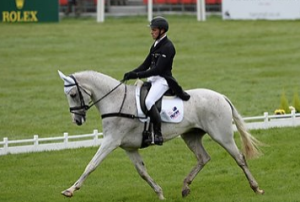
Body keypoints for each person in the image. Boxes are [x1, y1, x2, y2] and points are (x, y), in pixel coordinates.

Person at [123, 16, 190, 146]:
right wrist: (132, 73)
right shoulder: (155, 44)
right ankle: (145, 131)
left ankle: (158, 134)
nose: (151, 32)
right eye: (151, 29)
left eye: (154, 30)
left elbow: (158, 69)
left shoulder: (168, 47)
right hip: (153, 79)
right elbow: (146, 64)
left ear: (162, 30)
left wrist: (138, 74)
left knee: (148, 101)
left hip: (163, 80)